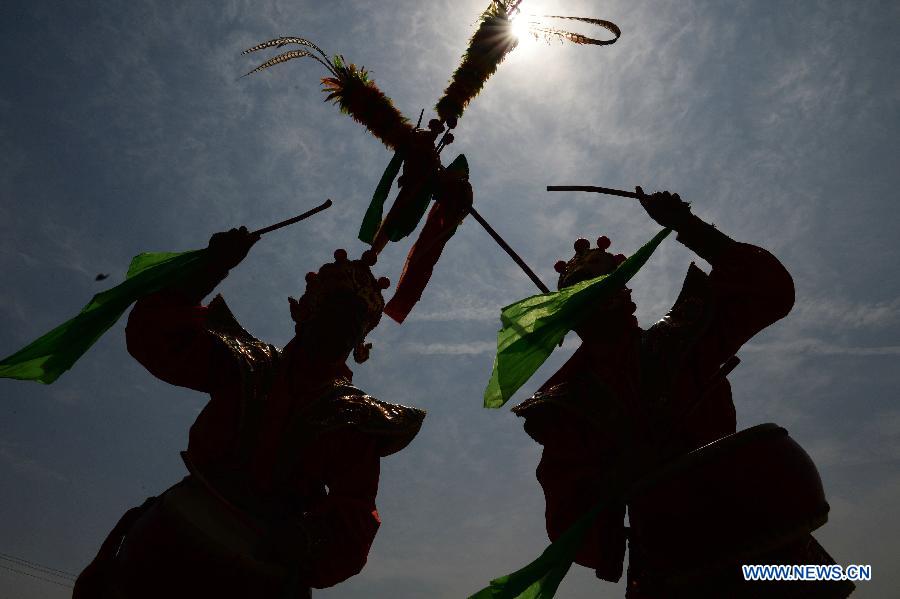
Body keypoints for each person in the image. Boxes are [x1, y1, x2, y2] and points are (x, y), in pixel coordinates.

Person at [512, 190, 854, 597]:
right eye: (582, 288)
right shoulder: (566, 402)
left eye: (604, 283)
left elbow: (767, 289)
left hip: (757, 531)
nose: (596, 294)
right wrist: (612, 479)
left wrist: (687, 226)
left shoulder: (679, 336)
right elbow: (567, 509)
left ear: (624, 290)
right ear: (566, 309)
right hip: (669, 557)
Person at [74, 227, 425, 598]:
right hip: (176, 530)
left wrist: (308, 538)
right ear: (306, 312)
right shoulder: (248, 361)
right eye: (334, 312)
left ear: (360, 340)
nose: (340, 328)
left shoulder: (356, 417)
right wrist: (210, 269)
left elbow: (354, 510)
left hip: (265, 560)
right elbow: (157, 339)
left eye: (352, 323)